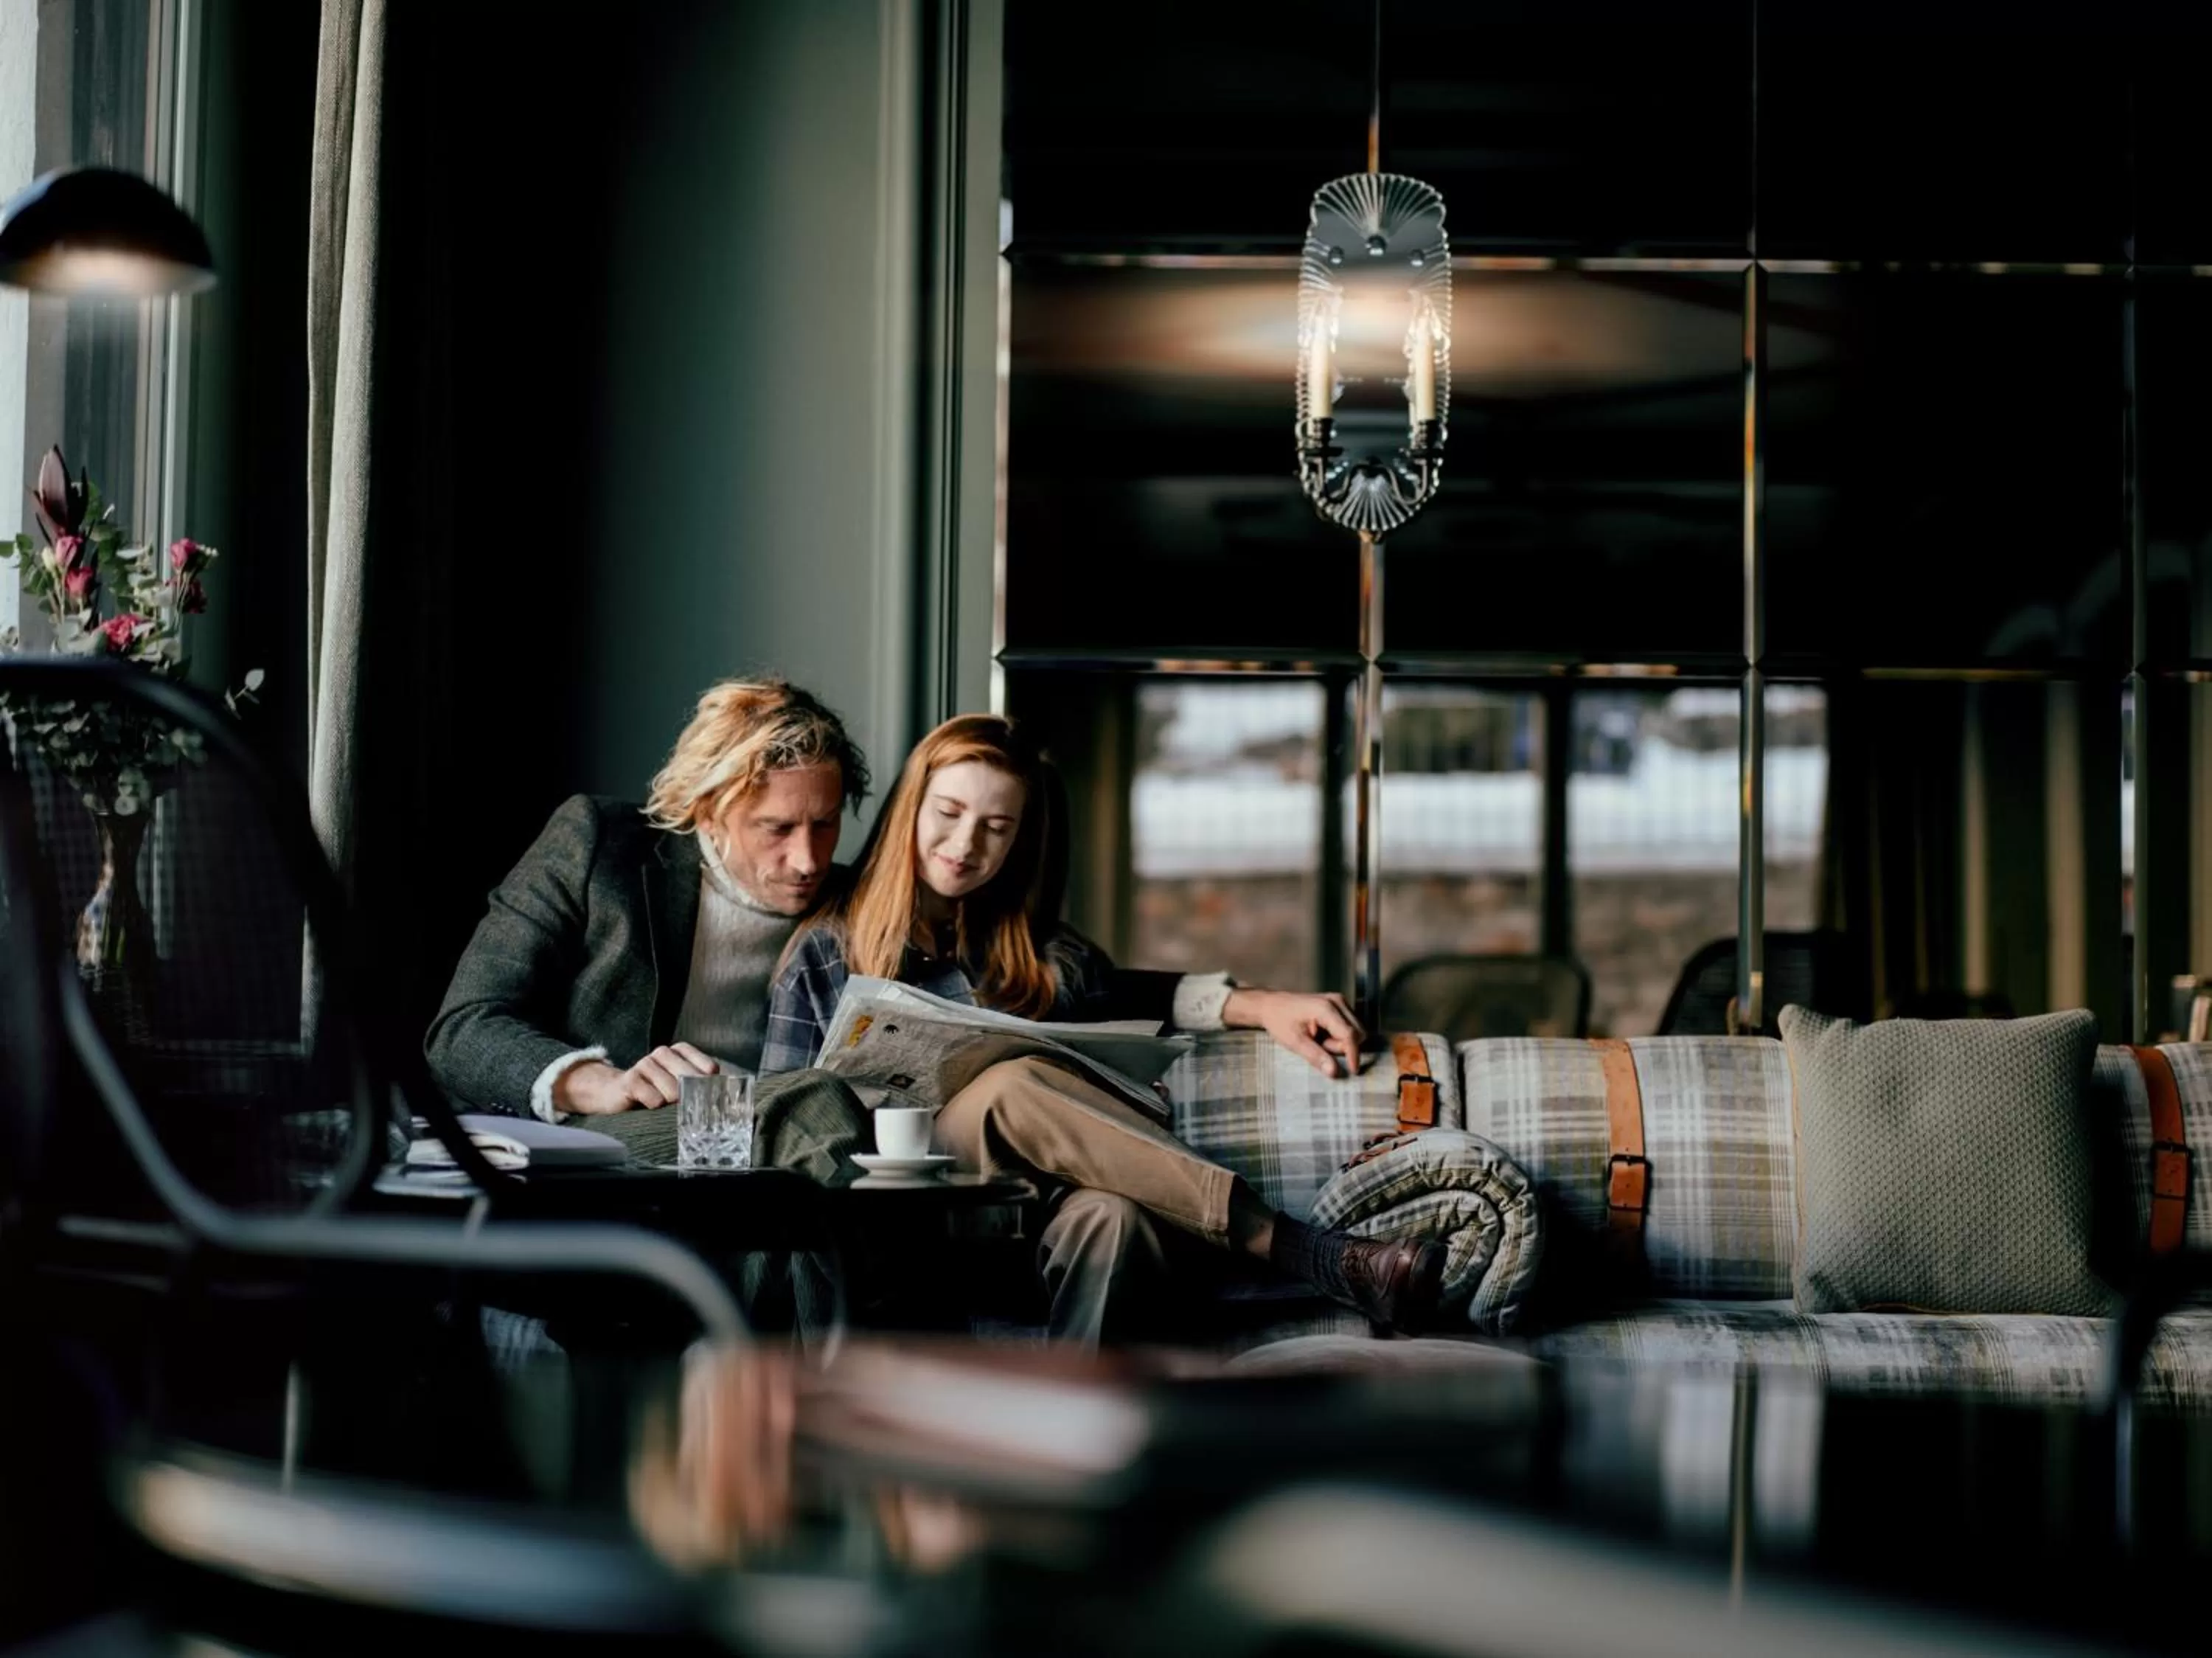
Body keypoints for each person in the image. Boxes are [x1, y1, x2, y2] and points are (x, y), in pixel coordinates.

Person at [764, 713, 1445, 1343]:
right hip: (901, 1220)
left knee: (1112, 1221)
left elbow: (1141, 991)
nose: (966, 844)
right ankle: (1307, 1251)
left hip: (1021, 1225)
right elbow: (782, 1116)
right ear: (911, 809)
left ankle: (1076, 1445)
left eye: (997, 827)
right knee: (1010, 1085)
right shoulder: (828, 948)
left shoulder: (1041, 957)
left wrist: (1261, 1005)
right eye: (947, 813)